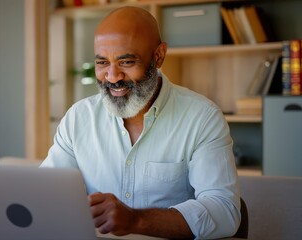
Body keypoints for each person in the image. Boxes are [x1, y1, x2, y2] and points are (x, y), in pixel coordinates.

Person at [40, 6, 241, 239]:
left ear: (158, 56)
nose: (112, 77)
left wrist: (136, 220)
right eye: (102, 63)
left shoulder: (202, 118)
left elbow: (225, 212)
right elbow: (46, 194)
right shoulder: (78, 118)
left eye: (126, 62)